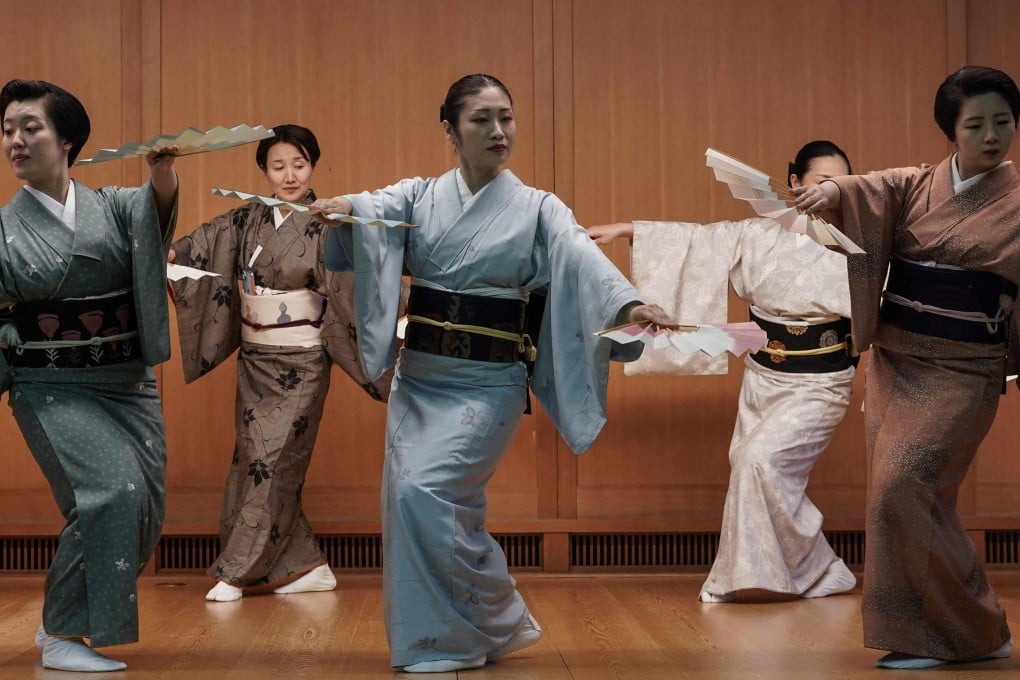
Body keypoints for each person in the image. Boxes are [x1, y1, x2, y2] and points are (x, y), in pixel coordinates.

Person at [312, 73, 676, 673]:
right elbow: (373, 208)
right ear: (450, 130)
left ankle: (480, 624)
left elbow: (581, 257)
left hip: (488, 384)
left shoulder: (538, 208)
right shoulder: (421, 196)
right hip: (419, 378)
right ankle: (458, 632)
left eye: (505, 117)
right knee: (409, 499)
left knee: (426, 489)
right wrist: (346, 208)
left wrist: (629, 307)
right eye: (481, 119)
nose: (498, 130)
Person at [795, 65, 1018, 670]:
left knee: (904, 484)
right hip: (898, 362)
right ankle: (969, 630)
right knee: (908, 498)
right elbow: (867, 189)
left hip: (965, 370)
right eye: (976, 124)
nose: (992, 135)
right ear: (952, 130)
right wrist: (832, 194)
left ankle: (955, 634)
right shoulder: (918, 184)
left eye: (1003, 122)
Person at [588, 141, 858, 603]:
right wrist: (625, 229)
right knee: (751, 468)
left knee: (760, 461)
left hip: (822, 381)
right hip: (764, 377)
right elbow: (696, 242)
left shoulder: (857, 244)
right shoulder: (757, 234)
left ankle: (804, 569)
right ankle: (816, 568)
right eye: (821, 182)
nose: (829, 192)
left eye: (841, 185)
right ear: (794, 183)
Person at [168, 125, 392, 602]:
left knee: (272, 460)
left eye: (299, 165)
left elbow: (353, 288)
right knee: (252, 459)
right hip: (255, 359)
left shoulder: (327, 223)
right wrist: (171, 254)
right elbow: (201, 247)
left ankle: (237, 572)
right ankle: (306, 566)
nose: (290, 175)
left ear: (313, 166)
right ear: (264, 171)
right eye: (278, 166)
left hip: (303, 362)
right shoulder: (245, 218)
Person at [0, 79, 178, 672]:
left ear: (66, 140)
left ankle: (65, 620)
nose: (15, 140)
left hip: (127, 382)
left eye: (31, 127)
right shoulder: (3, 229)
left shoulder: (116, 207)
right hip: (50, 388)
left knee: (144, 504)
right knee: (110, 492)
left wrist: (162, 175)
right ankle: (60, 634)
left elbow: (153, 216)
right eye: (8, 130)